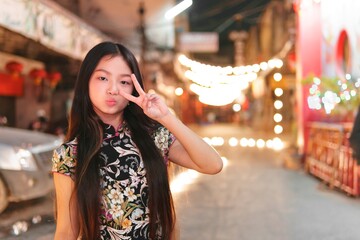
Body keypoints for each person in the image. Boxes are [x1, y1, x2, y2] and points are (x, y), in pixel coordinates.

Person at [51, 41, 223, 240]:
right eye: (103, 78)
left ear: (134, 88)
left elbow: (213, 164)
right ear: (86, 81)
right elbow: (66, 231)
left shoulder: (154, 137)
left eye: (124, 82)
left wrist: (166, 117)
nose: (113, 89)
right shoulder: (69, 154)